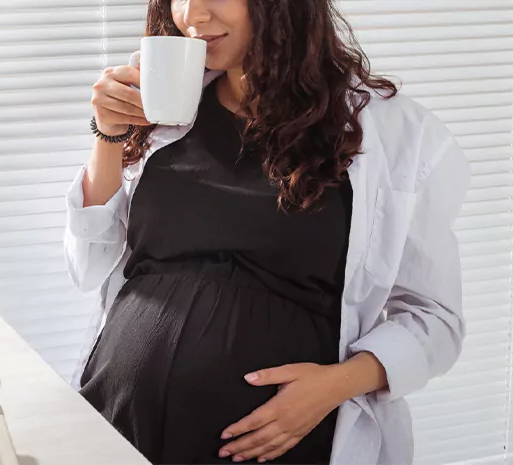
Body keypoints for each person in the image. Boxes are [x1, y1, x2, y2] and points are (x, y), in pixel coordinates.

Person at [63, 0, 470, 464]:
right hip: (119, 423)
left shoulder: (395, 136)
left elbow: (434, 320)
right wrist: (108, 137)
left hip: (276, 444)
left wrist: (329, 390)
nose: (192, 14)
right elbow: (89, 264)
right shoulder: (156, 101)